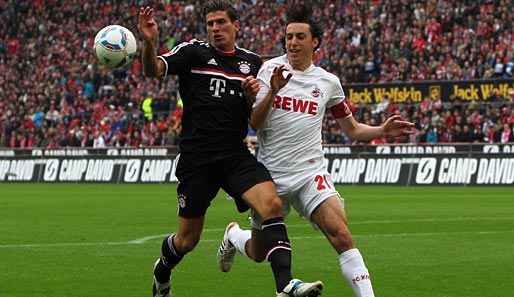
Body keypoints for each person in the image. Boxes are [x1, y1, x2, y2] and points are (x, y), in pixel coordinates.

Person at [216, 4, 414, 297]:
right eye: (288, 37)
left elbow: (352, 129)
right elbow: (255, 124)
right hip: (270, 177)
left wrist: (382, 131)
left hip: (311, 173)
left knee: (342, 235)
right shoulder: (270, 69)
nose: (293, 43)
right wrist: (272, 90)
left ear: (315, 42)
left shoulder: (328, 83)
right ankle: (234, 235)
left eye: (299, 37)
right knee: (258, 252)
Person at [138, 1, 323, 297]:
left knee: (272, 205)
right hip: (197, 161)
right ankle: (162, 269)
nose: (215, 28)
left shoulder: (252, 62)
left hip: (234, 156)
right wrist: (149, 43)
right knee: (187, 241)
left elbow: (254, 113)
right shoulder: (194, 52)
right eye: (210, 23)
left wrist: (250, 96)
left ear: (236, 25)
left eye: (221, 22)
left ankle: (285, 285)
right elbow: (153, 70)